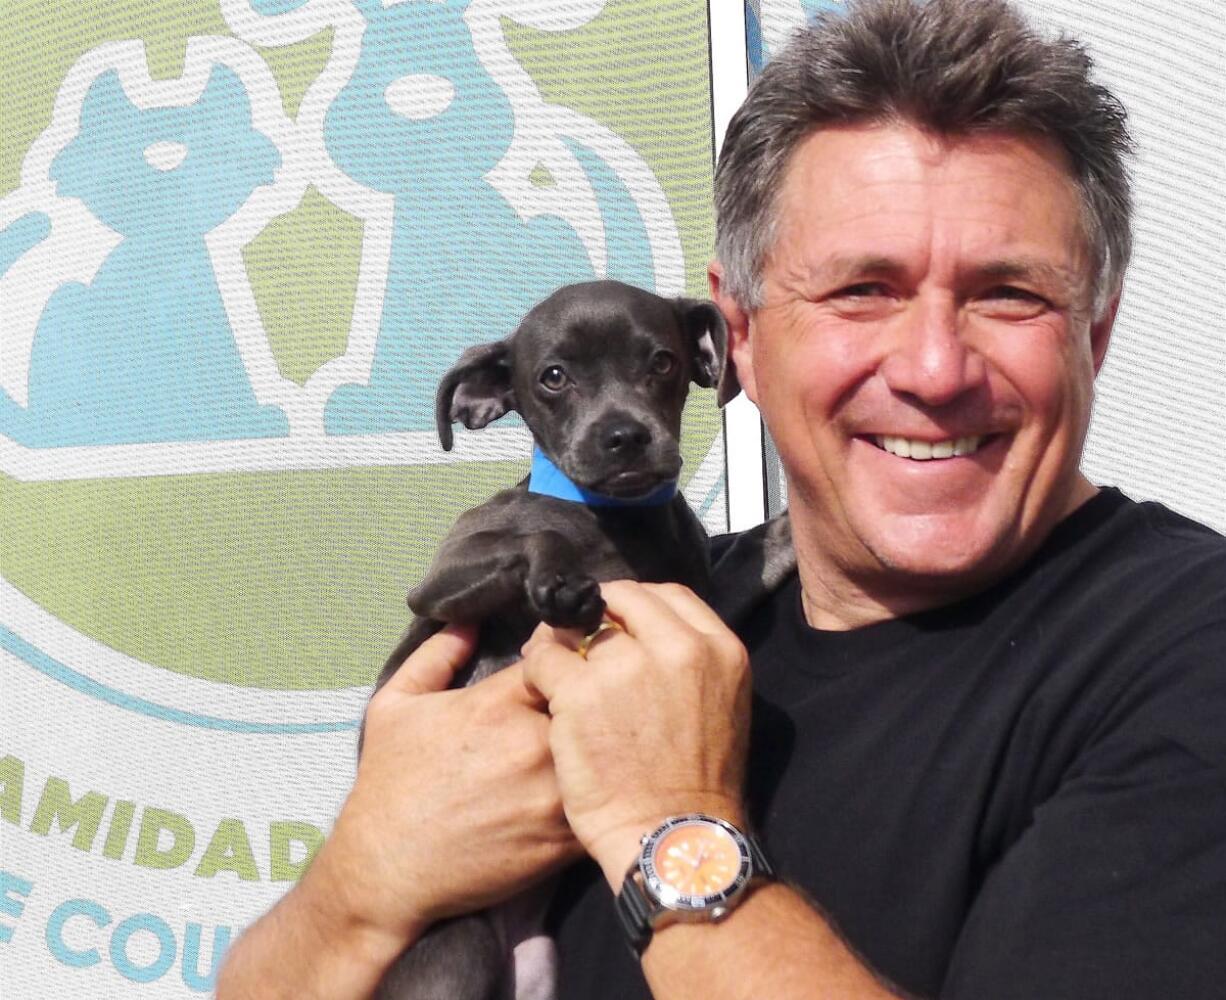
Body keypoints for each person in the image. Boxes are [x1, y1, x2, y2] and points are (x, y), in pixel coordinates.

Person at [217, 1, 1226, 997]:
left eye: (1007, 292)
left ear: (1090, 333)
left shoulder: (1180, 651)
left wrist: (670, 822)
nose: (931, 368)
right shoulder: (674, 591)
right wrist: (361, 882)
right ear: (736, 335)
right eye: (860, 289)